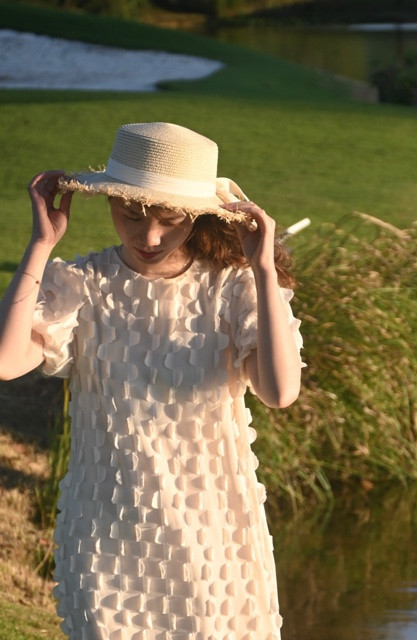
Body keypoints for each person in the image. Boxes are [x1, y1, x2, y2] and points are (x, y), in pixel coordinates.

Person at [0, 122, 304, 640]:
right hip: (104, 533)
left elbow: (279, 392)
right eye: (131, 215)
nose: (149, 237)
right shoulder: (83, 284)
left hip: (210, 534)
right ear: (110, 202)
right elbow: (7, 362)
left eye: (170, 220)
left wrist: (263, 271)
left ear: (198, 216)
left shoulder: (232, 289)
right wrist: (40, 245)